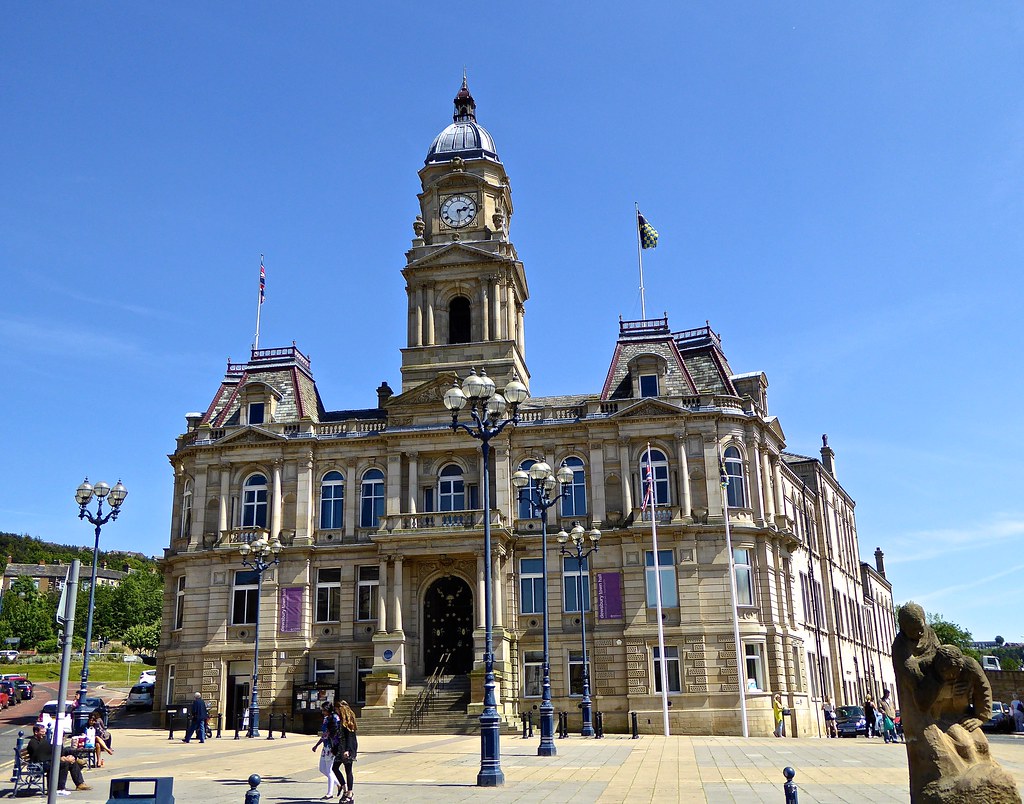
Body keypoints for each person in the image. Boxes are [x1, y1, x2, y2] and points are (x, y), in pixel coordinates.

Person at [23, 722, 92, 796]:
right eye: (42, 732)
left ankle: (80, 784)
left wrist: (64, 758)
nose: (44, 734)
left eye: (44, 732)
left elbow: (49, 752)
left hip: (46, 762)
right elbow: (40, 756)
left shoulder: (43, 740)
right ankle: (60, 788)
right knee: (64, 764)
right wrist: (61, 759)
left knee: (71, 762)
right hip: (38, 765)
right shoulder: (33, 742)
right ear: (36, 732)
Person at [328, 700, 358, 802]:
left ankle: (350, 793)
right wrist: (334, 749)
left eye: (336, 709)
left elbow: (350, 737)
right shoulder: (340, 720)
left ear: (340, 709)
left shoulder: (348, 721)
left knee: (348, 770)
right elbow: (338, 736)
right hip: (340, 748)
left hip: (347, 749)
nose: (335, 712)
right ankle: (345, 789)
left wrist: (348, 750)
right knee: (335, 768)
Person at [311, 702, 337, 799]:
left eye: (324, 710)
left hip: (331, 746)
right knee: (322, 768)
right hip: (325, 746)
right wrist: (317, 745)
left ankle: (330, 793)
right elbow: (324, 734)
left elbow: (332, 733)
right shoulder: (326, 719)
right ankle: (339, 784)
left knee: (329, 770)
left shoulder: (334, 718)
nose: (322, 712)